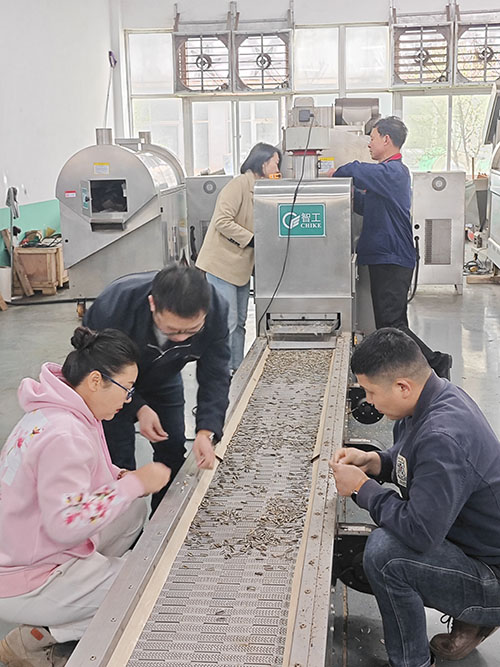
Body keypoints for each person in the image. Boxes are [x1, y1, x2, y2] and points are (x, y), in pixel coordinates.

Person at [0, 327, 170, 667]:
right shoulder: (65, 435)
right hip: (27, 576)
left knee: (133, 509)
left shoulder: (57, 410)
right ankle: (36, 638)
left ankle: (83, 589)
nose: (128, 400)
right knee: (142, 587)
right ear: (95, 381)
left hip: (29, 544)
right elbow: (66, 524)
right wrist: (135, 483)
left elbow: (76, 475)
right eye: (127, 389)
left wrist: (118, 479)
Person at [330, 328, 500, 667]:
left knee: (385, 554)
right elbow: (412, 462)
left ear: (402, 387)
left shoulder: (442, 436)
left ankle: (412, 661)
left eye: (371, 392)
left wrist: (363, 489)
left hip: (491, 575)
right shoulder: (432, 399)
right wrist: (375, 462)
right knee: (379, 548)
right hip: (475, 547)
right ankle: (473, 617)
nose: (369, 401)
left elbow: (420, 533)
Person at [83, 264, 231, 512]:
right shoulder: (115, 307)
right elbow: (99, 370)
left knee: (172, 449)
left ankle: (165, 519)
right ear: (153, 304)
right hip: (110, 385)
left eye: (192, 330)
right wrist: (139, 407)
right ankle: (125, 527)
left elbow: (216, 375)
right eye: (172, 330)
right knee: (117, 460)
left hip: (163, 376)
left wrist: (206, 431)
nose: (182, 338)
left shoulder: (216, 309)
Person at [330, 116, 452, 380]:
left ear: (386, 140)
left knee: (392, 325)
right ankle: (404, 372)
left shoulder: (394, 172)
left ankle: (436, 362)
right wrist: (346, 197)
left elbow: (356, 170)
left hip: (392, 257)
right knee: (390, 324)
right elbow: (367, 206)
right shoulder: (386, 176)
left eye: (372, 139)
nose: (369, 145)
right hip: (386, 256)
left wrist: (335, 173)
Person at [196, 142, 282, 373]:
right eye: (275, 163)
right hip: (221, 264)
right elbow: (222, 221)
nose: (277, 168)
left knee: (241, 321)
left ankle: (237, 369)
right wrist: (252, 239)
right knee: (228, 321)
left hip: (241, 266)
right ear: (262, 163)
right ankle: (221, 371)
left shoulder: (262, 188)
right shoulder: (239, 185)